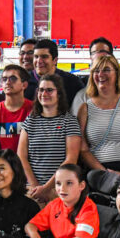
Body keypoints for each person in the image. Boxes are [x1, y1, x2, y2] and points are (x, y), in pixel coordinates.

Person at [77, 55, 120, 174]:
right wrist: (105, 174)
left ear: (117, 74)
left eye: (106, 70)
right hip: (99, 172)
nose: (100, 74)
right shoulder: (85, 109)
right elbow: (83, 149)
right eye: (96, 70)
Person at [19, 74, 81, 205]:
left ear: (58, 94)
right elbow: (21, 155)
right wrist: (36, 187)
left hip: (60, 189)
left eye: (49, 90)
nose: (44, 93)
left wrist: (47, 188)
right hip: (33, 189)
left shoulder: (69, 121)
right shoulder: (31, 120)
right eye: (41, 90)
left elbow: (71, 159)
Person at [70, 37, 120, 115]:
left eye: (103, 51)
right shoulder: (82, 94)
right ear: (90, 58)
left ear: (112, 57)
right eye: (94, 52)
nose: (98, 55)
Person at [0, 64, 32, 156]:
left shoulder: (34, 109)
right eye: (4, 79)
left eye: (13, 79)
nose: (8, 82)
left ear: (24, 85)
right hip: (5, 165)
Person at [26, 38, 85, 103]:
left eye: (44, 57)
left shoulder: (72, 82)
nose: (39, 61)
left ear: (55, 60)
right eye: (36, 57)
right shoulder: (25, 81)